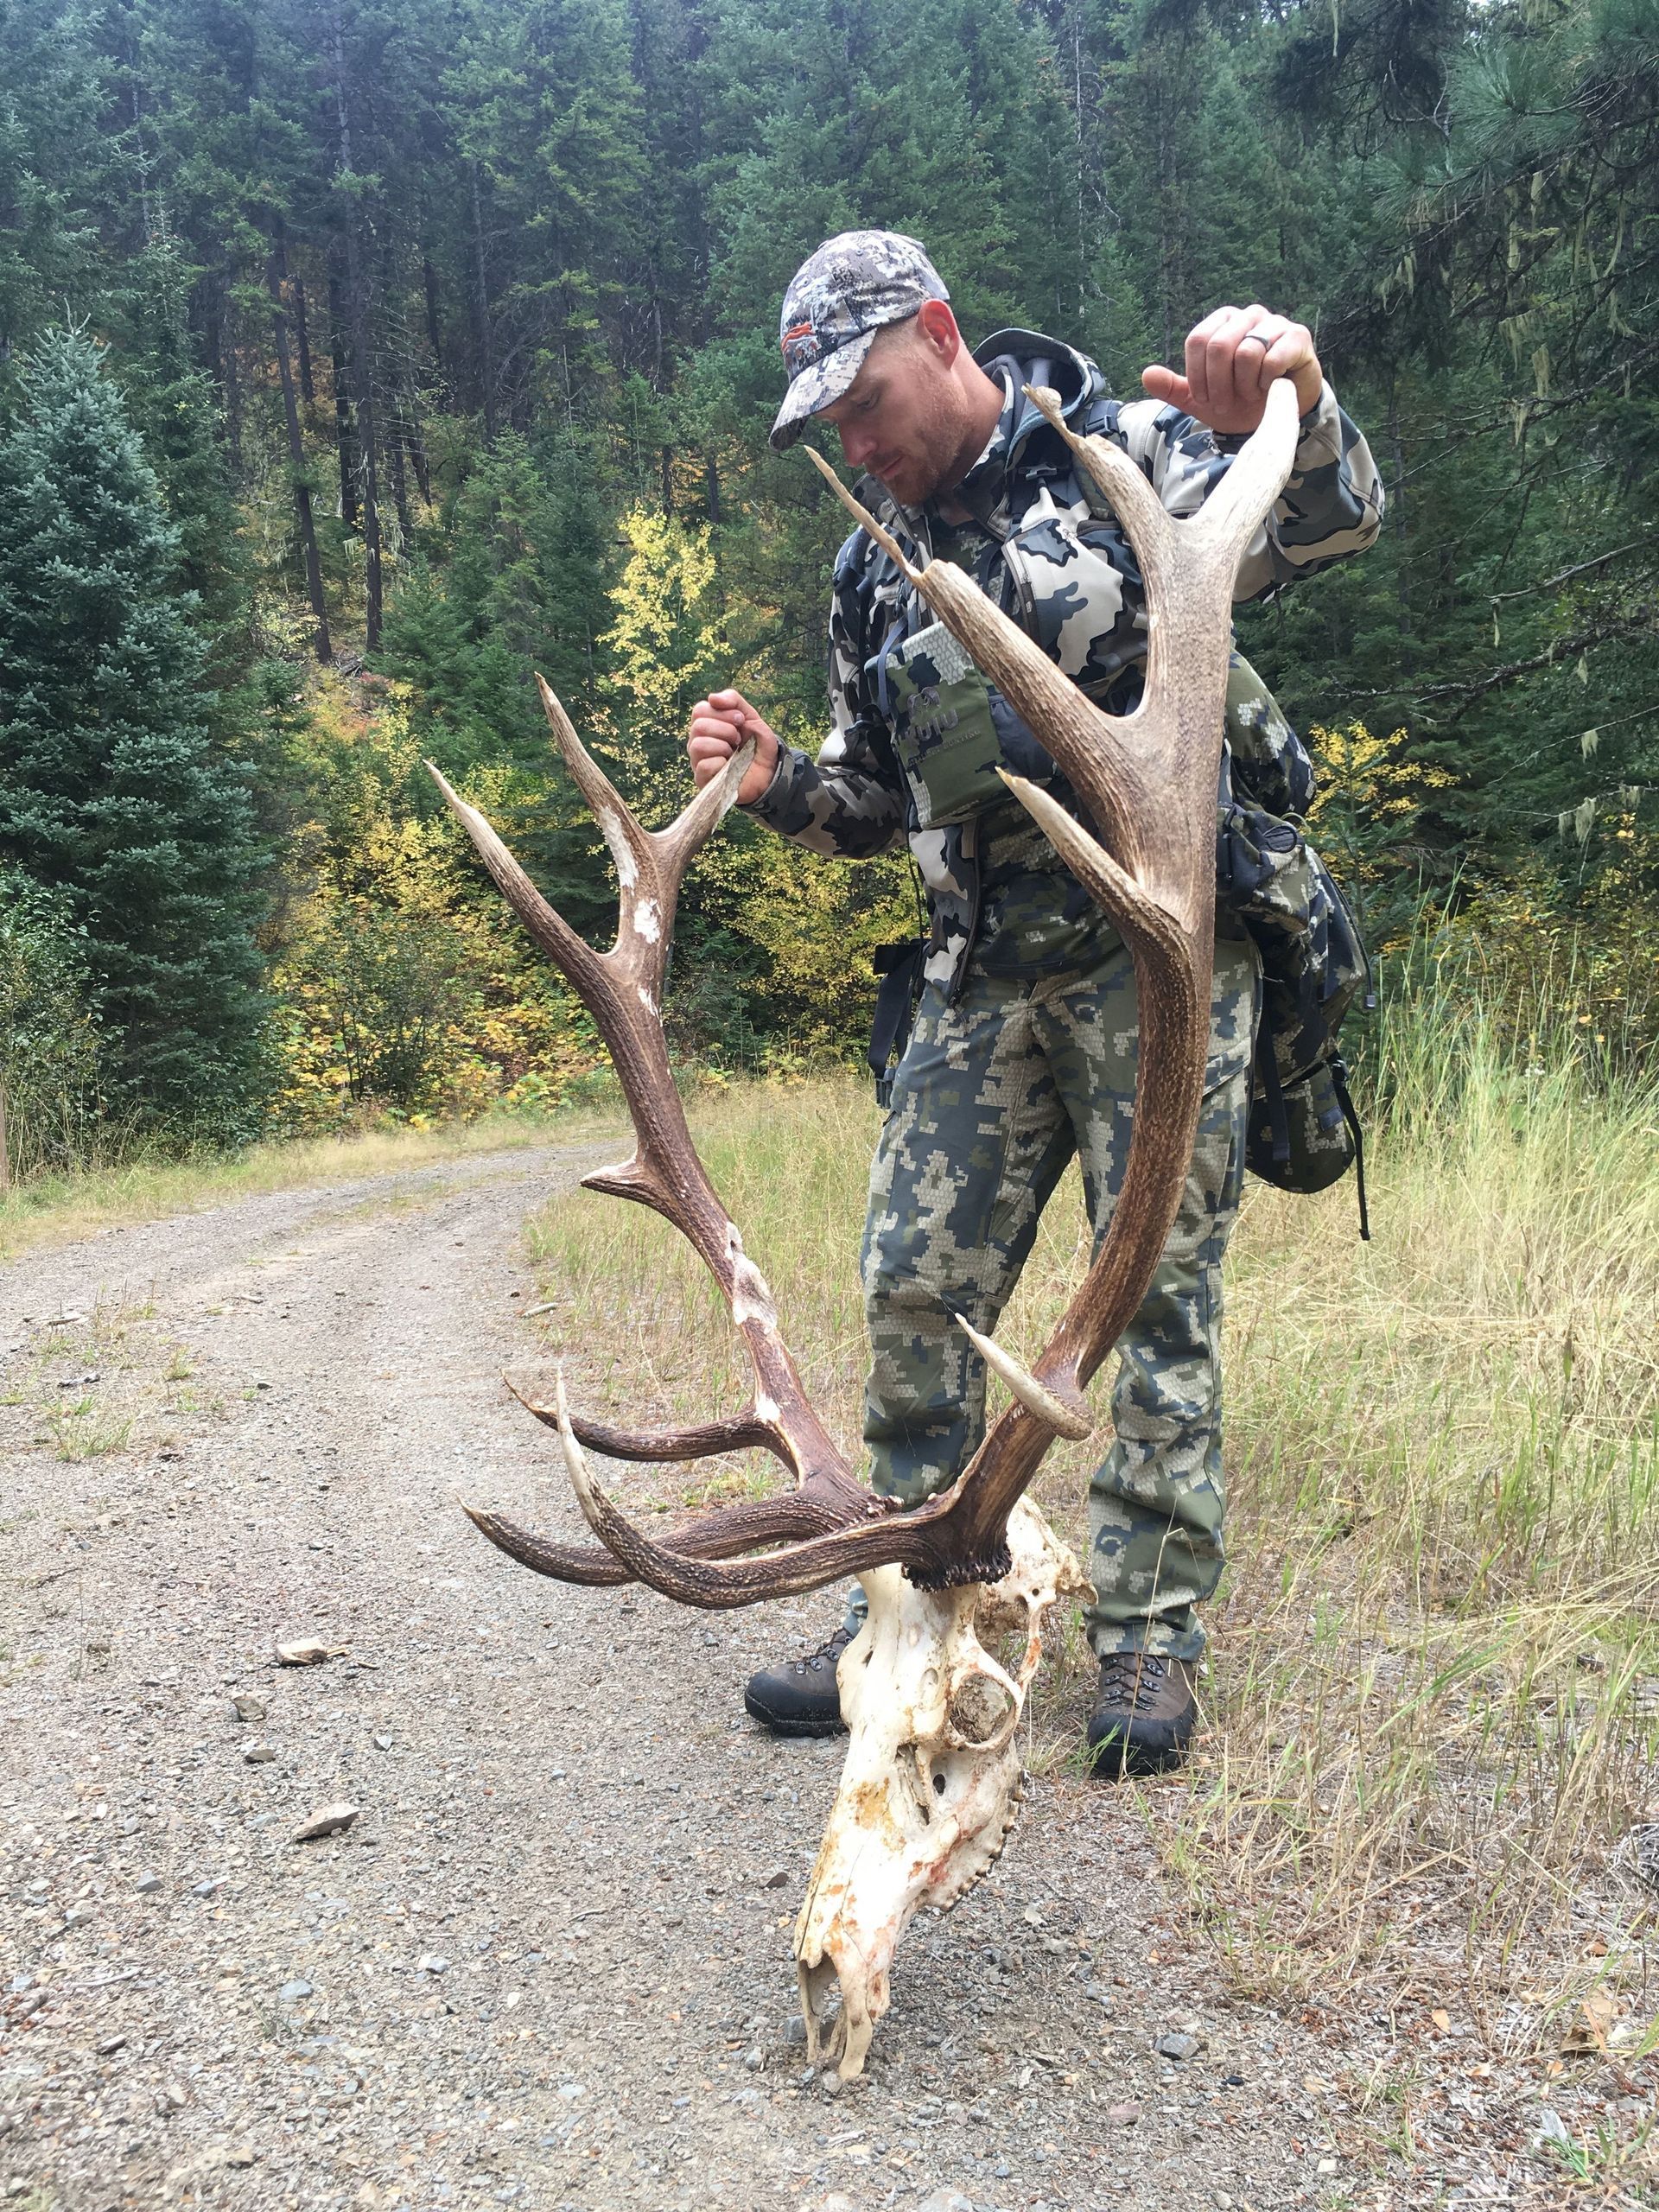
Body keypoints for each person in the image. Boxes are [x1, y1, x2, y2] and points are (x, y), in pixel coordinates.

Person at [685, 231, 1382, 1777]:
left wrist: (1300, 398)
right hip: (974, 981)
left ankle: (1145, 1639)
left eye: (865, 403)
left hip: (1164, 971)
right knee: (911, 1296)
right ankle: (918, 1612)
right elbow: (882, 799)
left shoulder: (1124, 446)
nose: (857, 445)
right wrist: (779, 783)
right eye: (832, 429)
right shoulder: (874, 562)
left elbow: (1337, 514)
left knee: (1150, 1298)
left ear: (938, 333)